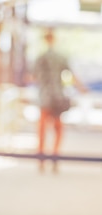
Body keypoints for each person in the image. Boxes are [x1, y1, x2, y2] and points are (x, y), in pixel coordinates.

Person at [32, 28, 87, 173]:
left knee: (42, 129)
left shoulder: (40, 58)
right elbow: (72, 76)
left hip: (44, 97)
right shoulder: (60, 57)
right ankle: (54, 156)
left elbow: (32, 76)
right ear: (53, 39)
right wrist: (81, 88)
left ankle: (41, 158)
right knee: (57, 129)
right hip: (57, 97)